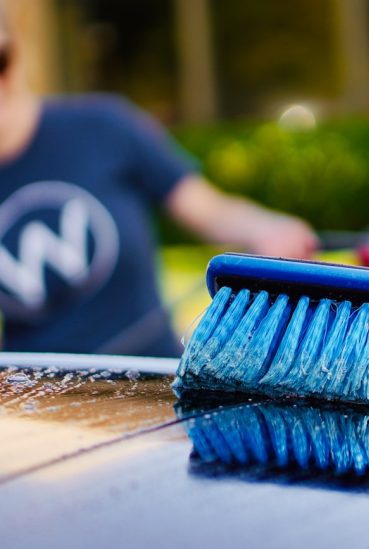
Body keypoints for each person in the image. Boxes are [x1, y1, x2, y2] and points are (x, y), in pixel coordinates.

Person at [0, 6, 318, 357]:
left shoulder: (104, 126)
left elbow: (208, 209)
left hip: (152, 382)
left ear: (16, 54)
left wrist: (267, 227)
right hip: (35, 403)